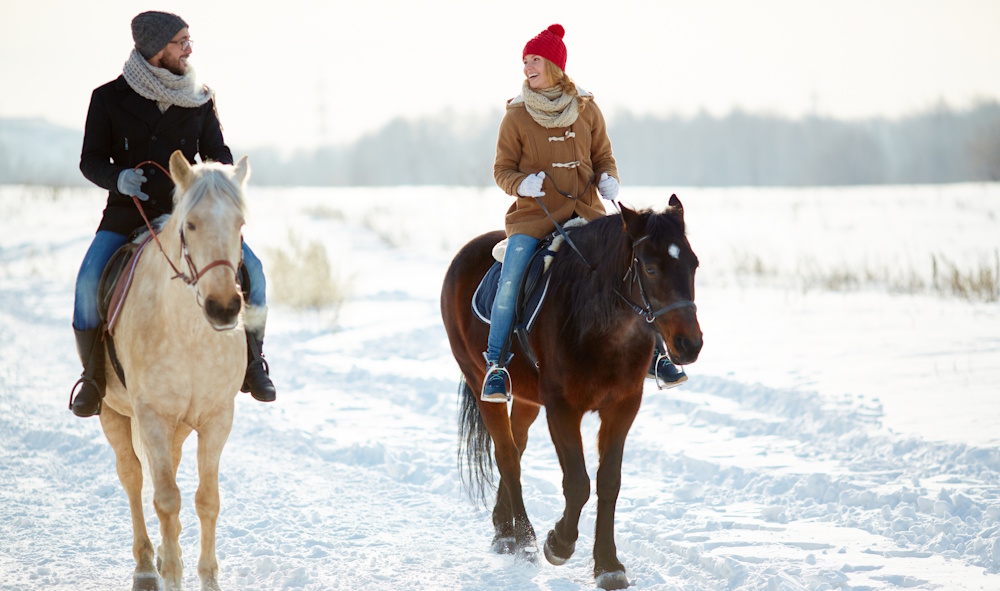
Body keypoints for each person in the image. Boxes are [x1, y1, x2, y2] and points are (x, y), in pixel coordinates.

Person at [70, 11, 276, 417]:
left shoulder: (201, 96)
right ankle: (93, 379)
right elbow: (90, 160)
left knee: (255, 273)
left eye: (188, 40)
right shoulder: (108, 98)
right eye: (181, 42)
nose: (188, 49)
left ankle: (253, 364)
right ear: (155, 49)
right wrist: (119, 178)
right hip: (128, 214)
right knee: (87, 282)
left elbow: (219, 153)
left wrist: (211, 177)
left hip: (192, 218)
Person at [484, 24, 685, 402]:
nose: (527, 66)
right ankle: (496, 366)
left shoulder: (587, 110)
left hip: (588, 213)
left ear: (555, 66)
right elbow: (501, 170)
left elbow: (603, 157)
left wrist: (609, 178)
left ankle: (657, 357)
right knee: (510, 280)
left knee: (635, 267)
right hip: (534, 218)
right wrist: (521, 184)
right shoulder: (516, 116)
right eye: (525, 60)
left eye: (535, 60)